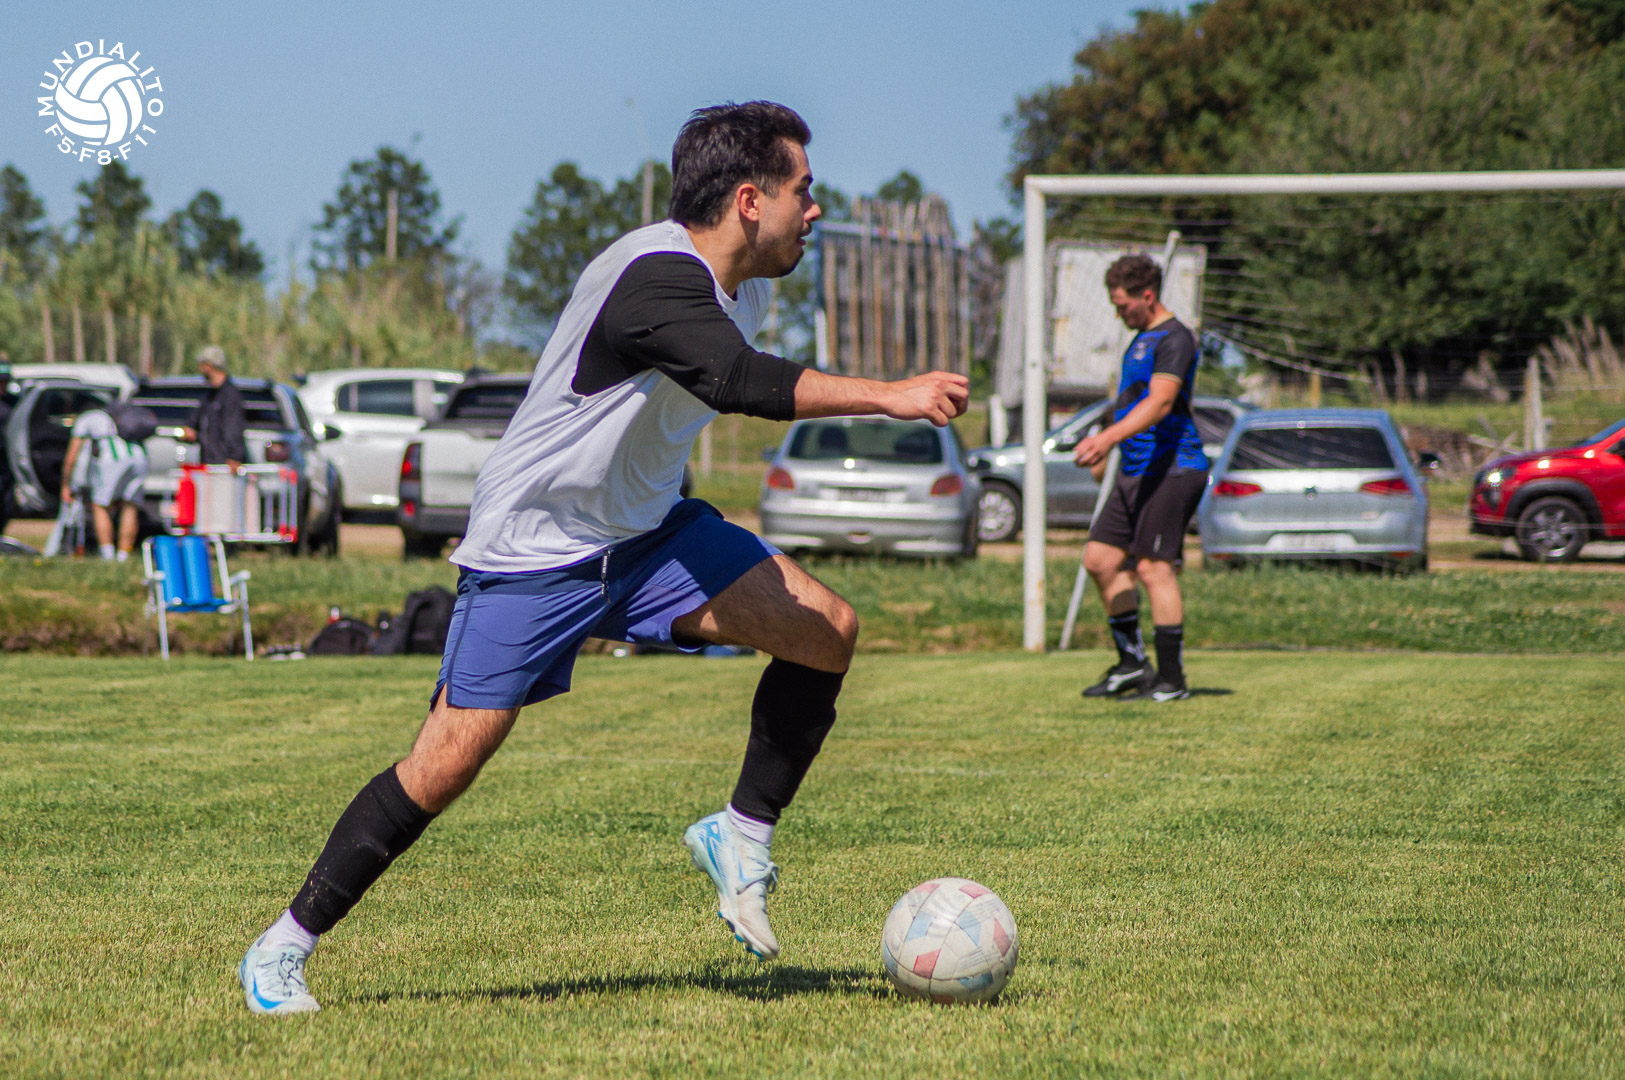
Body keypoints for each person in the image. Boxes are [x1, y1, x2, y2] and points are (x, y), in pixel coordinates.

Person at [237, 101, 968, 1015]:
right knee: (446, 761)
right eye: (803, 191)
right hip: (536, 548)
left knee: (824, 630)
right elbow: (737, 382)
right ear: (750, 200)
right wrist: (890, 395)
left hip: (648, 536)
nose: (814, 210)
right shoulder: (653, 276)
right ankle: (281, 948)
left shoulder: (747, 288)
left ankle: (740, 834)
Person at [1072, 253, 1209, 703]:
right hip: (1136, 471)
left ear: (1147, 296)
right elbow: (1129, 403)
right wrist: (1105, 439)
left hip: (1172, 469)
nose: (1119, 314)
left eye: (1123, 305)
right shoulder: (1140, 339)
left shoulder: (1175, 338)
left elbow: (1161, 402)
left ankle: (1171, 680)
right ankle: (1132, 663)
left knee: (1153, 569)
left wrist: (1107, 439)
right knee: (1100, 560)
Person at [59, 404, 149, 562]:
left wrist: (66, 484)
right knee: (130, 506)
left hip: (113, 458)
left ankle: (107, 554)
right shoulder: (122, 412)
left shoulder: (87, 418)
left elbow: (71, 455)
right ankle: (123, 556)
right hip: (140, 456)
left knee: (100, 505)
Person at [181, 345, 247, 468]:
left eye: (201, 365)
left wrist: (234, 456)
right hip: (207, 463)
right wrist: (189, 431)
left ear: (209, 365)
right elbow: (195, 424)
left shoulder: (231, 395)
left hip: (224, 465)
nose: (200, 369)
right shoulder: (209, 397)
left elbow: (234, 428)